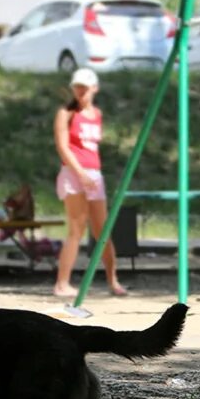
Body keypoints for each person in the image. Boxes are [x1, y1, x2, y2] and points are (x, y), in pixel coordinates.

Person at [52, 68, 128, 298]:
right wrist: (80, 173)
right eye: (77, 87)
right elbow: (63, 146)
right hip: (74, 174)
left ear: (94, 88)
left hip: (94, 174)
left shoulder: (96, 114)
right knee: (76, 227)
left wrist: (90, 174)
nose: (80, 92)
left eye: (84, 88)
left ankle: (112, 279)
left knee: (102, 230)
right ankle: (62, 283)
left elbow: (92, 145)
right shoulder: (66, 113)